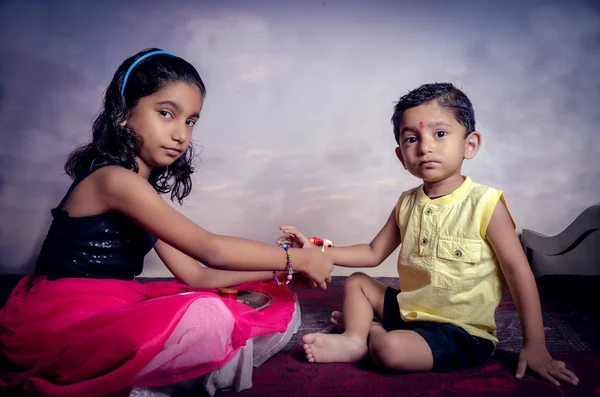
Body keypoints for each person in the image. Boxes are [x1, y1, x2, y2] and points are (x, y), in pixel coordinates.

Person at [0, 48, 333, 397]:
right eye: (166, 114)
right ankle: (139, 381)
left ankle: (153, 373)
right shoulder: (112, 180)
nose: (181, 134)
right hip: (64, 317)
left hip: (118, 300)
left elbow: (196, 275)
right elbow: (211, 249)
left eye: (190, 121)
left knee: (273, 296)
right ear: (125, 112)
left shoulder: (138, 189)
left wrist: (281, 271)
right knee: (209, 318)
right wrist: (303, 258)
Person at [277, 83, 579, 387]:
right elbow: (372, 252)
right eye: (412, 138)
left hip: (460, 331)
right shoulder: (407, 202)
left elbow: (518, 272)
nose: (425, 147)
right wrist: (316, 254)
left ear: (470, 144)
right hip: (410, 311)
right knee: (357, 283)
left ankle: (374, 332)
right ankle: (355, 338)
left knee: (389, 350)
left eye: (440, 134)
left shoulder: (485, 204)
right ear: (400, 156)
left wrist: (535, 344)